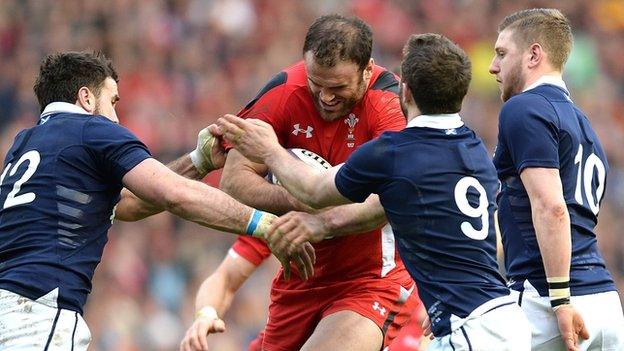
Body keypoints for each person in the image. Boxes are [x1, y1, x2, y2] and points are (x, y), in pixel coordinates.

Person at [219, 32, 532, 351]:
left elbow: (314, 191)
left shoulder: (395, 153)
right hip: (502, 317)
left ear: (404, 90)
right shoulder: (475, 149)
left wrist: (270, 151)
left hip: (468, 329)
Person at [0, 51, 314, 350]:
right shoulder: (93, 129)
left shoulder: (26, 143)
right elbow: (175, 194)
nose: (116, 116)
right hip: (39, 312)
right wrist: (266, 223)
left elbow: (127, 203)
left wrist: (198, 161)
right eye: (113, 101)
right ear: (85, 98)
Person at [183, 14, 420, 351]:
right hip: (296, 291)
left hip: (370, 282)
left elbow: (386, 203)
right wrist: (305, 201)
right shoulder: (283, 91)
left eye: (337, 87)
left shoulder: (390, 105)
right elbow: (233, 180)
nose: (324, 97)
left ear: (367, 70)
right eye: (315, 84)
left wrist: (319, 217)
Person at [489, 8, 624, 351]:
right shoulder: (585, 126)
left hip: (546, 299)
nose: (493, 66)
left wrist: (560, 299)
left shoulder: (523, 108)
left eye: (502, 53)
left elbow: (552, 208)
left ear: (534, 54)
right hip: (605, 303)